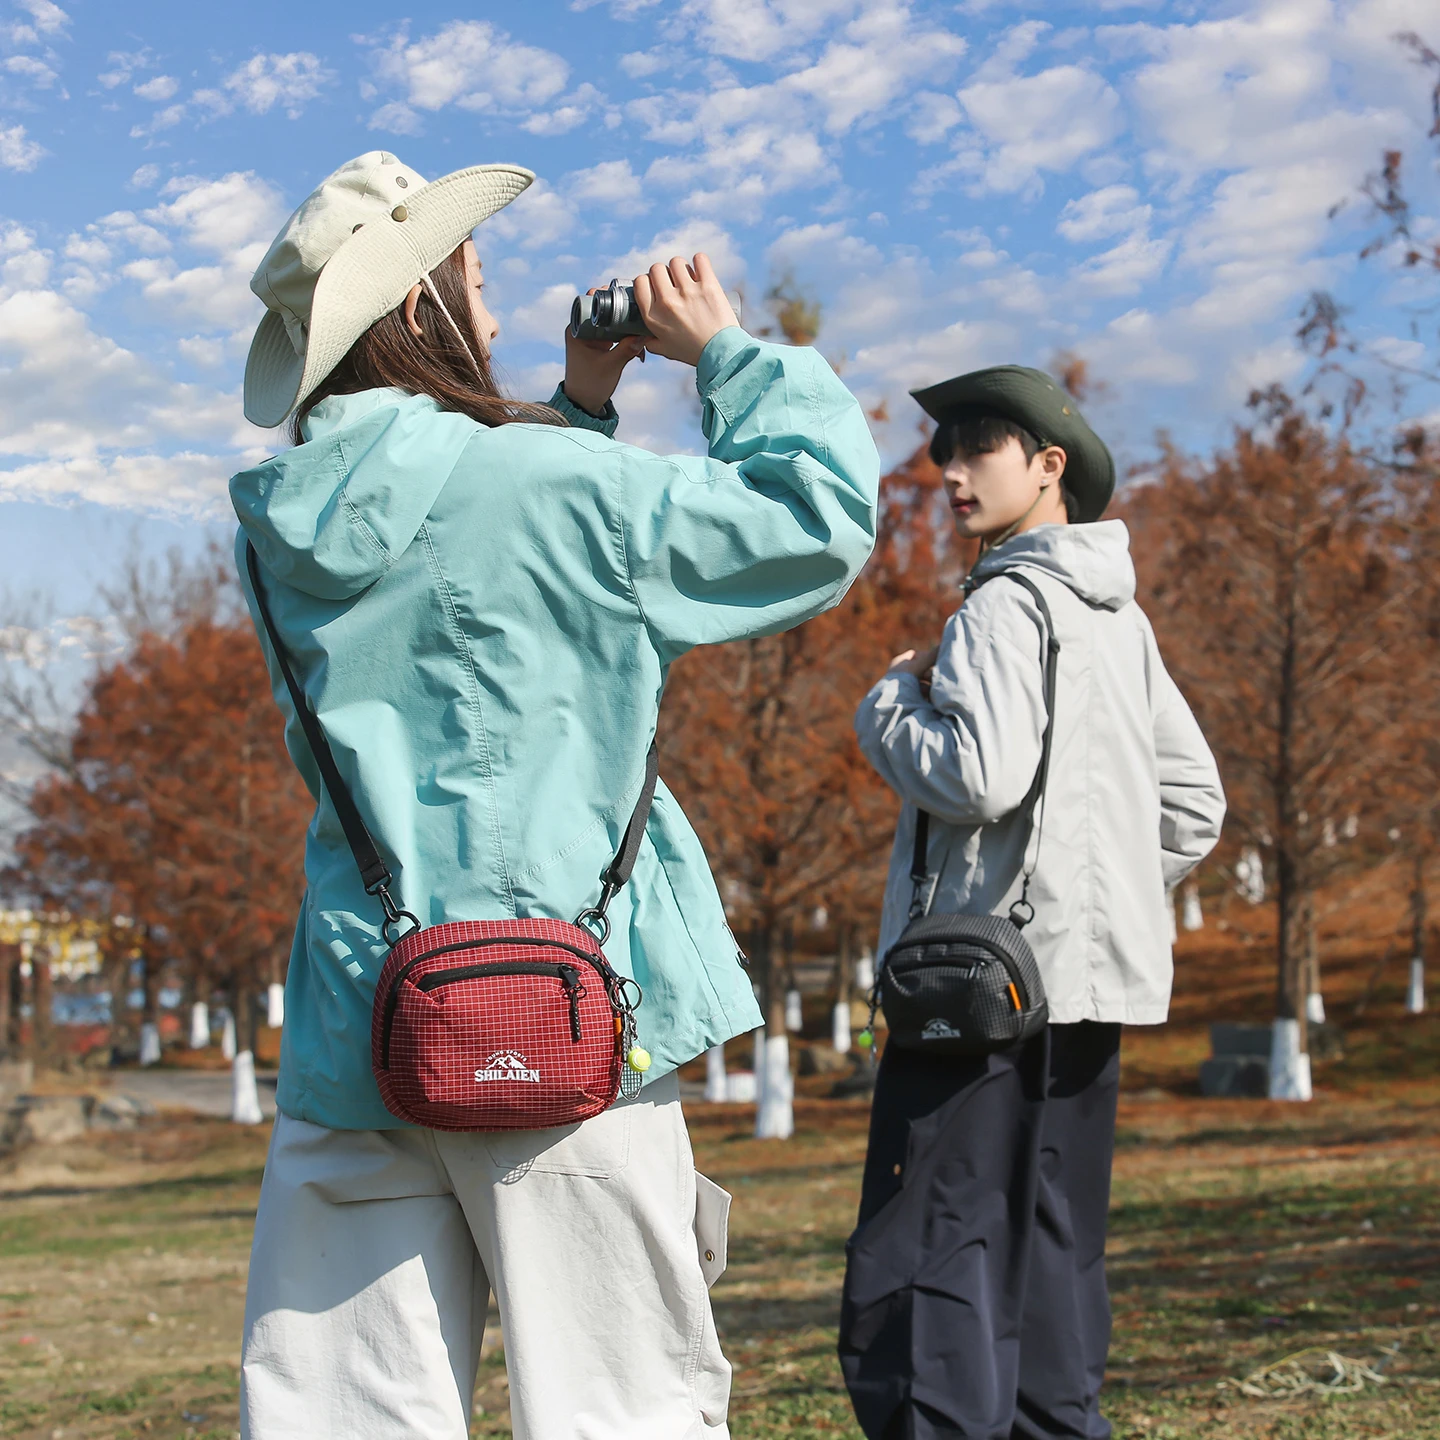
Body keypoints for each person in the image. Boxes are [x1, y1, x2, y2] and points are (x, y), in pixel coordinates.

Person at [230, 151, 880, 1439]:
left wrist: (577, 408)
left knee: (341, 1414)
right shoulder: (550, 484)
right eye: (474, 280)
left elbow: (459, 575)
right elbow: (813, 519)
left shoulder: (278, 527)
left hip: (362, 1023)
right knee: (620, 1409)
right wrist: (727, 354)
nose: (491, 305)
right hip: (564, 1017)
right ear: (416, 306)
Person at [839, 366, 1225, 1439]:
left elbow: (978, 777)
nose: (951, 473)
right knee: (1055, 1247)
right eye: (943, 454)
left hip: (975, 996)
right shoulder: (1121, 621)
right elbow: (1193, 806)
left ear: (1050, 466)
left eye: (978, 449)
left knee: (933, 1248)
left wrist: (889, 703)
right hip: (1084, 994)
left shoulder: (1002, 605)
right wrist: (1089, 909)